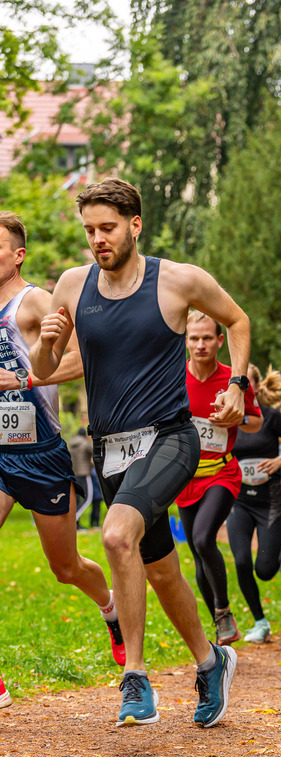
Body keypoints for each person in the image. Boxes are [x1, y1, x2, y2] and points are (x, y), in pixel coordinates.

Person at [34, 177, 250, 729]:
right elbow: (41, 369)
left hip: (170, 438)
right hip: (109, 449)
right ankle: (211, 660)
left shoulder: (177, 280)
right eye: (89, 231)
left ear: (134, 224)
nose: (97, 240)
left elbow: (238, 320)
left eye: (107, 228)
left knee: (114, 535)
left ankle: (134, 676)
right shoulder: (73, 284)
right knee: (158, 569)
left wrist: (238, 385)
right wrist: (49, 340)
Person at [0, 210, 126, 710]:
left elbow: (79, 360)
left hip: (39, 452)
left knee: (66, 567)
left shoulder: (34, 302)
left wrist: (27, 379)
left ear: (18, 254)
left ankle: (111, 607)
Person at [175, 312, 261, 646]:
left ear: (220, 340)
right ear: (185, 341)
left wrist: (235, 419)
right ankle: (220, 623)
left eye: (207, 338)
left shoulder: (234, 379)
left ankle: (223, 610)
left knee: (201, 537)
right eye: (194, 338)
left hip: (222, 473)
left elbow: (256, 421)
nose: (200, 344)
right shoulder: (173, 376)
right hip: (185, 477)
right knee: (200, 553)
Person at [228, 363, 281, 642]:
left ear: (257, 388)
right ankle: (260, 621)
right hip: (239, 501)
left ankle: (280, 545)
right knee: (240, 561)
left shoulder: (271, 417)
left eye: (246, 384)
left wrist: (280, 460)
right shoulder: (228, 419)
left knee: (265, 571)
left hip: (270, 502)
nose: (240, 390)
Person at [68, 426, 94, 528]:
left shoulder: (71, 444)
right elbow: (94, 452)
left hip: (74, 474)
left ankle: (76, 524)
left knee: (76, 499)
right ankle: (74, 519)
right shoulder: (85, 443)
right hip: (84, 474)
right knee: (88, 498)